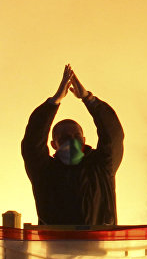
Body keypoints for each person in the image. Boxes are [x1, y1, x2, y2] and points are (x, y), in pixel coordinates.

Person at [21, 65, 124, 226]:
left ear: (83, 140)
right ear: (54, 144)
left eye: (76, 136)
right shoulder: (44, 171)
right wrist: (54, 101)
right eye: (65, 137)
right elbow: (32, 143)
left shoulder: (102, 167)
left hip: (97, 248)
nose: (72, 141)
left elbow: (113, 135)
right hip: (55, 249)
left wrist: (89, 99)